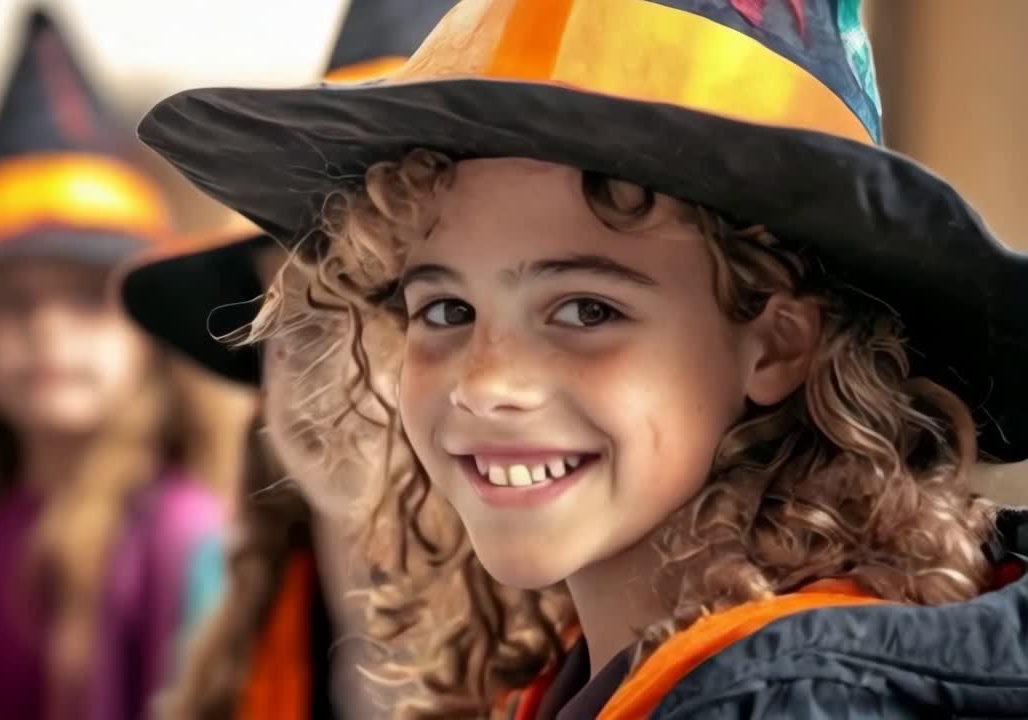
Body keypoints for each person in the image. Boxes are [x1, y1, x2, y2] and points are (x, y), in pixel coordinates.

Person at [134, 0, 1028, 717]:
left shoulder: (794, 701)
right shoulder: (591, 670)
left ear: (778, 340)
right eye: (444, 308)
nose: (488, 383)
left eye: (587, 309)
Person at [117, 4, 460, 717]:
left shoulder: (588, 676)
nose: (346, 371)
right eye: (301, 322)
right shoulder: (242, 657)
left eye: (419, 307)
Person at [0, 9, 221, 719]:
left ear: (149, 335)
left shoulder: (183, 539)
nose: (48, 332)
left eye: (87, 301)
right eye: (10, 303)